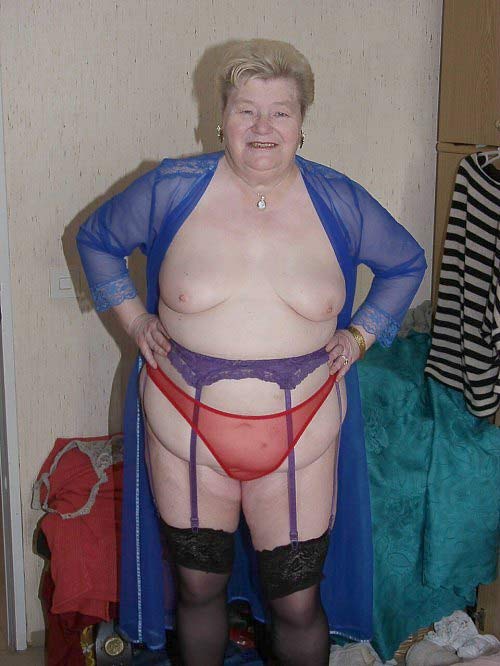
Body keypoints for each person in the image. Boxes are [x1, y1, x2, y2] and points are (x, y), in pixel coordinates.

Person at [77, 39, 426, 666]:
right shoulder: (171, 188)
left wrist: (361, 334)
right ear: (221, 119)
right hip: (184, 424)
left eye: (280, 112)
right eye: (246, 110)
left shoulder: (340, 200)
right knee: (197, 591)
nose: (263, 128)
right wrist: (134, 320)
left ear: (302, 122)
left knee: (297, 603)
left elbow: (405, 263)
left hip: (303, 428)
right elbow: (98, 241)